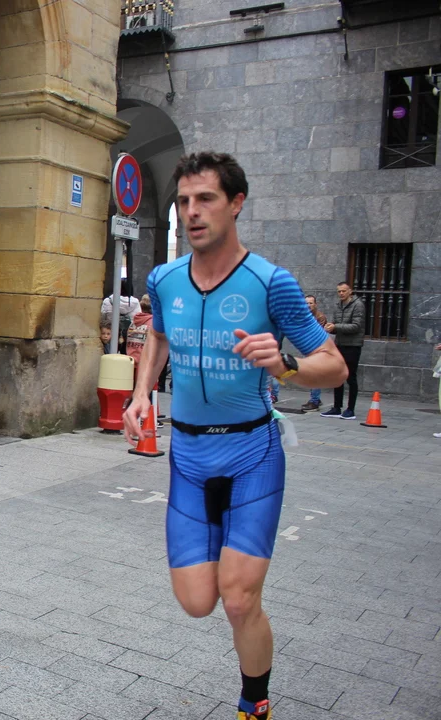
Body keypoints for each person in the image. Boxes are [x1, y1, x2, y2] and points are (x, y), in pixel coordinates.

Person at [123, 152, 347, 720]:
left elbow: (335, 367)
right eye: (183, 201)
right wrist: (142, 392)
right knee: (198, 601)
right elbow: (159, 337)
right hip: (189, 455)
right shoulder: (164, 279)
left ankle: (255, 704)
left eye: (206, 199)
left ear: (236, 203)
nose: (192, 212)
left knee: (239, 599)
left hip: (252, 453)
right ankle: (227, 557)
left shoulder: (271, 284)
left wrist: (286, 366)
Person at [320, 282, 365, 420]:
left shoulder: (358, 305)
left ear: (350, 291)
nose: (341, 293)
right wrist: (330, 327)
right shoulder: (338, 305)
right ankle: (336, 407)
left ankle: (350, 409)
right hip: (339, 344)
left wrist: (336, 327)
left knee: (350, 377)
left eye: (343, 291)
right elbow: (336, 325)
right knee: (337, 376)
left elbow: (356, 326)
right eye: (339, 291)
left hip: (353, 345)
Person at [300, 294, 328, 411]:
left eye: (310, 303)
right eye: (306, 303)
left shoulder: (320, 317)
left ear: (315, 304)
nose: (308, 305)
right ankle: (316, 398)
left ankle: (315, 400)